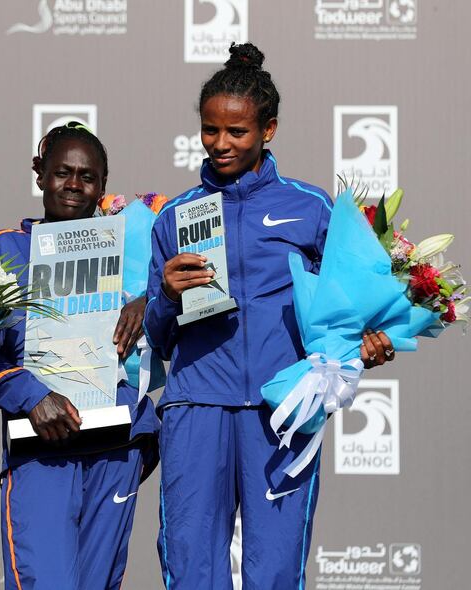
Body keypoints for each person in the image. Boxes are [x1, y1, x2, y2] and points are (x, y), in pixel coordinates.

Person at [144, 43, 396, 589]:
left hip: (283, 407)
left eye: (237, 132)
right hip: (196, 407)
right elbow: (157, 339)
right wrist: (165, 296)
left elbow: (350, 307)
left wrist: (371, 340)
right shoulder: (175, 216)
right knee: (190, 566)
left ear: (269, 130)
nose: (221, 144)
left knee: (276, 568)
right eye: (211, 130)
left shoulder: (311, 207)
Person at [0, 123, 160, 590]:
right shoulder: (5, 252)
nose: (74, 185)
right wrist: (30, 395)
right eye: (62, 173)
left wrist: (151, 299)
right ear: (39, 174)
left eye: (87, 176)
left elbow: (182, 323)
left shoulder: (133, 251)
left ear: (103, 184)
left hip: (115, 444)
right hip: (42, 443)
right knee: (44, 581)